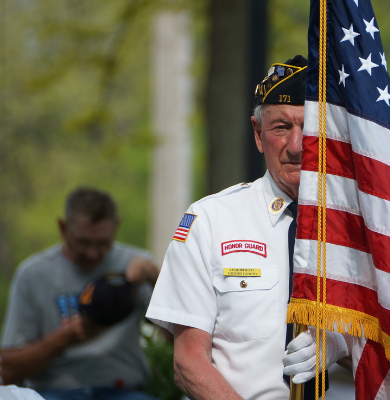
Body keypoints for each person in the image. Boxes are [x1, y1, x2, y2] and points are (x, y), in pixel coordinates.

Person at [145, 55, 350, 400]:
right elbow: (189, 363)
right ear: (258, 134)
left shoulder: (362, 232)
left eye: (311, 129)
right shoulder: (211, 220)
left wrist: (342, 344)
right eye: (281, 127)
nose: (298, 146)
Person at [0, 187, 161, 400]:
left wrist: (156, 279)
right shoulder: (33, 275)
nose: (93, 253)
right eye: (83, 242)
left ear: (116, 226)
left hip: (124, 391)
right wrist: (68, 337)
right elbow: (7, 369)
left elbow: (175, 336)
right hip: (53, 393)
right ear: (63, 228)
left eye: (103, 243)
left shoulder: (136, 264)